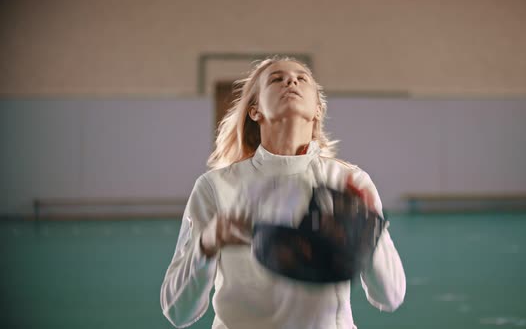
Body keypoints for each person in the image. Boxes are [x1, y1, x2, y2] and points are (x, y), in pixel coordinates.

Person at [160, 56, 406, 329]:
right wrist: (206, 244)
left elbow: (391, 296)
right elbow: (177, 312)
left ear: (317, 110)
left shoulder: (348, 182)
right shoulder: (214, 186)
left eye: (302, 78)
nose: (291, 81)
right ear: (255, 111)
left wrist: (366, 228)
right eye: (277, 79)